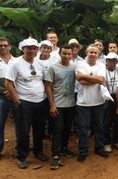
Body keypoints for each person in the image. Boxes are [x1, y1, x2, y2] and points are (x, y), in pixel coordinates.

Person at [5, 38, 48, 169]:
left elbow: (45, 82)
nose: (32, 50)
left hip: (41, 102)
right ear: (23, 49)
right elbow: (8, 83)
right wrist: (18, 102)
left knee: (39, 129)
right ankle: (21, 156)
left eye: (34, 48)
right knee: (24, 131)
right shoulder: (16, 63)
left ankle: (38, 151)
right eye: (29, 48)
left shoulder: (40, 64)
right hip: (25, 102)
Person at [44, 44, 76, 170]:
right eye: (64, 53)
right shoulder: (53, 68)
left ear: (72, 54)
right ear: (60, 54)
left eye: (69, 54)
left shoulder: (74, 67)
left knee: (67, 127)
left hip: (71, 103)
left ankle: (64, 147)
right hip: (58, 104)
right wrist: (51, 105)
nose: (67, 56)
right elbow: (47, 86)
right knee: (57, 129)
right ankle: (56, 155)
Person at [75, 44, 108, 162]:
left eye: (95, 53)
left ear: (98, 54)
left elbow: (101, 79)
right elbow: (81, 82)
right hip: (83, 102)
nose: (93, 55)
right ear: (86, 53)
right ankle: (83, 150)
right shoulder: (79, 64)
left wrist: (84, 76)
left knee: (99, 126)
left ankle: (99, 148)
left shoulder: (101, 65)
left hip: (98, 101)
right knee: (83, 128)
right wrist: (95, 79)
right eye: (91, 52)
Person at [0, 37, 19, 155]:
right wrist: (6, 92)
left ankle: (20, 146)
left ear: (10, 47)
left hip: (16, 96)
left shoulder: (17, 61)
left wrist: (13, 92)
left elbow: (21, 79)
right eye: (0, 45)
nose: (3, 47)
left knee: (19, 122)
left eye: (5, 45)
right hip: (1, 97)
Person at [103, 52, 118, 153]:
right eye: (109, 60)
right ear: (106, 61)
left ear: (116, 62)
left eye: (113, 61)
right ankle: (107, 142)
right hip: (106, 99)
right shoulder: (102, 71)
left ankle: (116, 140)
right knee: (106, 121)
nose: (111, 62)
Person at [68, 38, 85, 134]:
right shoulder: (64, 59)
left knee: (78, 111)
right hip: (67, 90)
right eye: (72, 46)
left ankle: (77, 129)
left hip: (78, 89)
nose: (74, 48)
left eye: (76, 46)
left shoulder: (82, 61)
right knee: (68, 110)